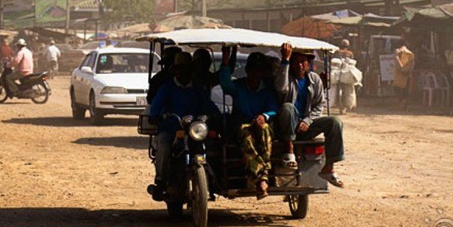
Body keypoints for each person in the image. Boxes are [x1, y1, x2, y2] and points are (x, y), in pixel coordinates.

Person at [148, 51, 220, 199]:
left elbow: (211, 108)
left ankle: (214, 181)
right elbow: (154, 110)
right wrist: (157, 117)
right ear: (175, 71)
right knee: (164, 146)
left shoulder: (198, 90)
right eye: (180, 69)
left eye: (187, 69)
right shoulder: (166, 89)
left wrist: (212, 116)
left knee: (214, 147)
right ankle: (160, 180)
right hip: (171, 130)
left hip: (195, 131)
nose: (183, 73)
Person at [274, 42, 346, 189]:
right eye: (296, 61)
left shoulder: (314, 79)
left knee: (335, 122)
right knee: (288, 107)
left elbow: (319, 105)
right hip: (286, 127)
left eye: (303, 61)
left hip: (305, 127)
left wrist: (308, 120)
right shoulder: (285, 77)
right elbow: (280, 88)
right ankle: (289, 150)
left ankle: (329, 167)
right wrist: (285, 60)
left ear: (308, 63)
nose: (299, 65)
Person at [219, 48, 277, 199]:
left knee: (265, 129)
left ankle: (261, 177)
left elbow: (273, 109)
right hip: (243, 127)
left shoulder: (268, 90)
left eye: (258, 70)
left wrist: (264, 116)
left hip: (262, 126)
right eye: (252, 70)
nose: (255, 74)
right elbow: (225, 84)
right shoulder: (239, 86)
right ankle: (262, 178)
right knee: (247, 138)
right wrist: (225, 60)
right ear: (247, 70)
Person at [393, 40, 415, 110]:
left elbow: (398, 63)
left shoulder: (398, 52)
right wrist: (409, 71)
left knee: (397, 88)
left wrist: (396, 57)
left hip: (400, 74)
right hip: (407, 74)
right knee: (405, 90)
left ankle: (402, 102)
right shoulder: (411, 54)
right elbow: (412, 65)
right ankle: (404, 104)